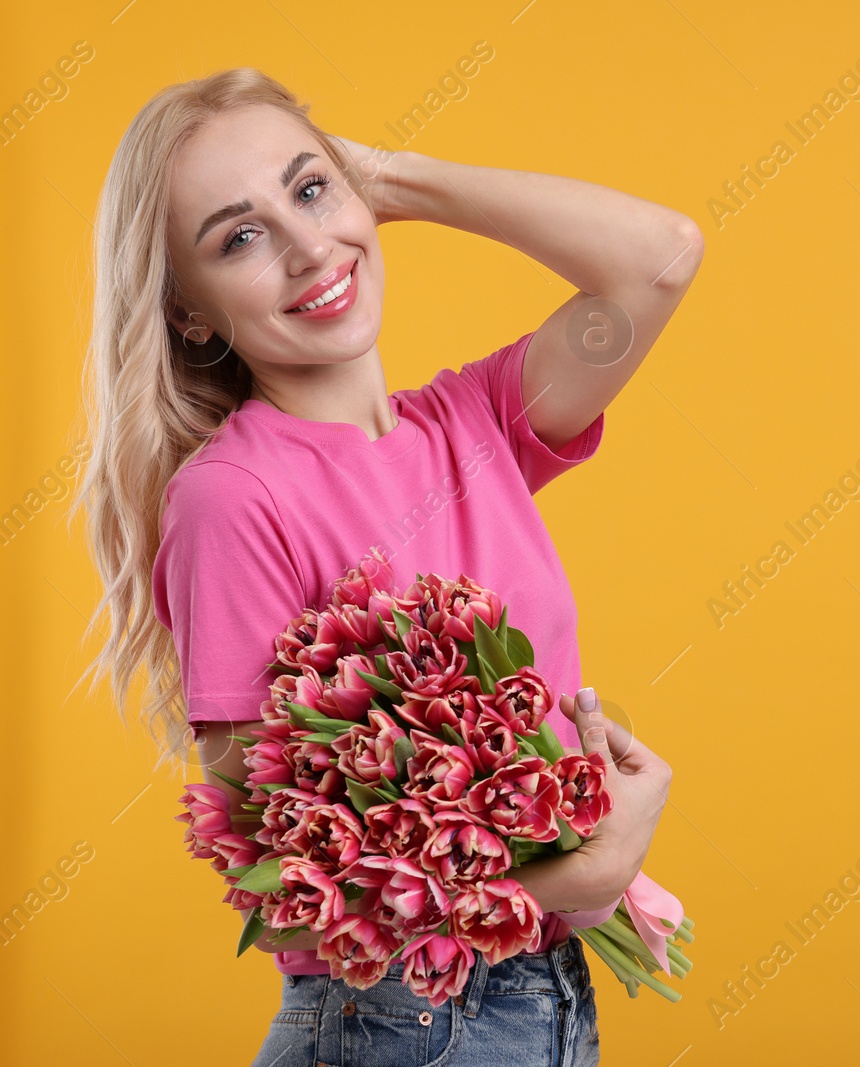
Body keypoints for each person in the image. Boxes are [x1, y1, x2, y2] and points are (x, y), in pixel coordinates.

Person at [69, 67, 697, 1066]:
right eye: (239, 236)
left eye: (310, 190)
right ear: (190, 315)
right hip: (400, 1025)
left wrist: (390, 181)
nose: (308, 247)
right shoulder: (233, 497)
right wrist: (571, 878)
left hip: (539, 1002)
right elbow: (283, 893)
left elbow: (659, 259)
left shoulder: (477, 424)